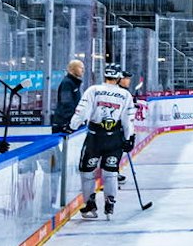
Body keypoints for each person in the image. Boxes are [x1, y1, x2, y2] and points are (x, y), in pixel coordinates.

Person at [69, 65, 137, 219]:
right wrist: (129, 138)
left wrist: (71, 126)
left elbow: (82, 111)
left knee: (87, 172)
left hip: (94, 138)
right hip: (114, 138)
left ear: (104, 76)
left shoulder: (93, 90)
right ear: (119, 78)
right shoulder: (125, 95)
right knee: (111, 172)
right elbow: (128, 120)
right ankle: (110, 203)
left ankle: (90, 205)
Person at [51, 59, 85, 134]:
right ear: (72, 69)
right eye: (80, 68)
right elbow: (66, 103)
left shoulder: (73, 83)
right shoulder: (67, 83)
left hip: (67, 122)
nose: (83, 70)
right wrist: (71, 122)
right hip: (63, 124)